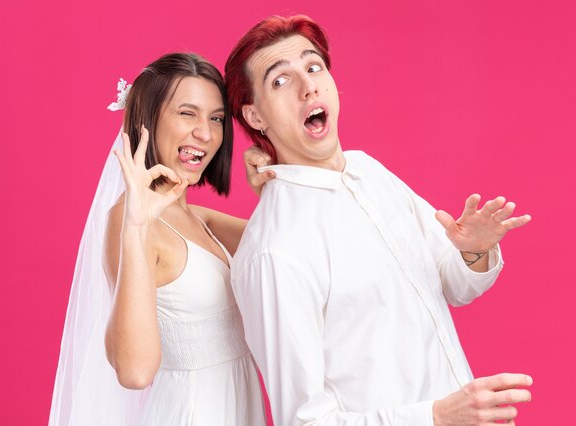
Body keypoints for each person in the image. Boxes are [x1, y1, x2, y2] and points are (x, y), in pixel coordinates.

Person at [226, 15, 533, 425]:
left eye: (313, 67)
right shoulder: (273, 252)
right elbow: (304, 420)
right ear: (255, 117)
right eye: (280, 80)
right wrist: (437, 417)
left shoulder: (367, 171)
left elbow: (450, 285)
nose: (308, 85)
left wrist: (473, 251)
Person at [49, 53, 269, 425]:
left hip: (236, 405)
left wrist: (269, 189)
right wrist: (135, 227)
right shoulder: (131, 222)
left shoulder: (198, 218)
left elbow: (287, 245)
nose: (206, 133)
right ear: (145, 121)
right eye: (187, 113)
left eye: (216, 118)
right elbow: (134, 372)